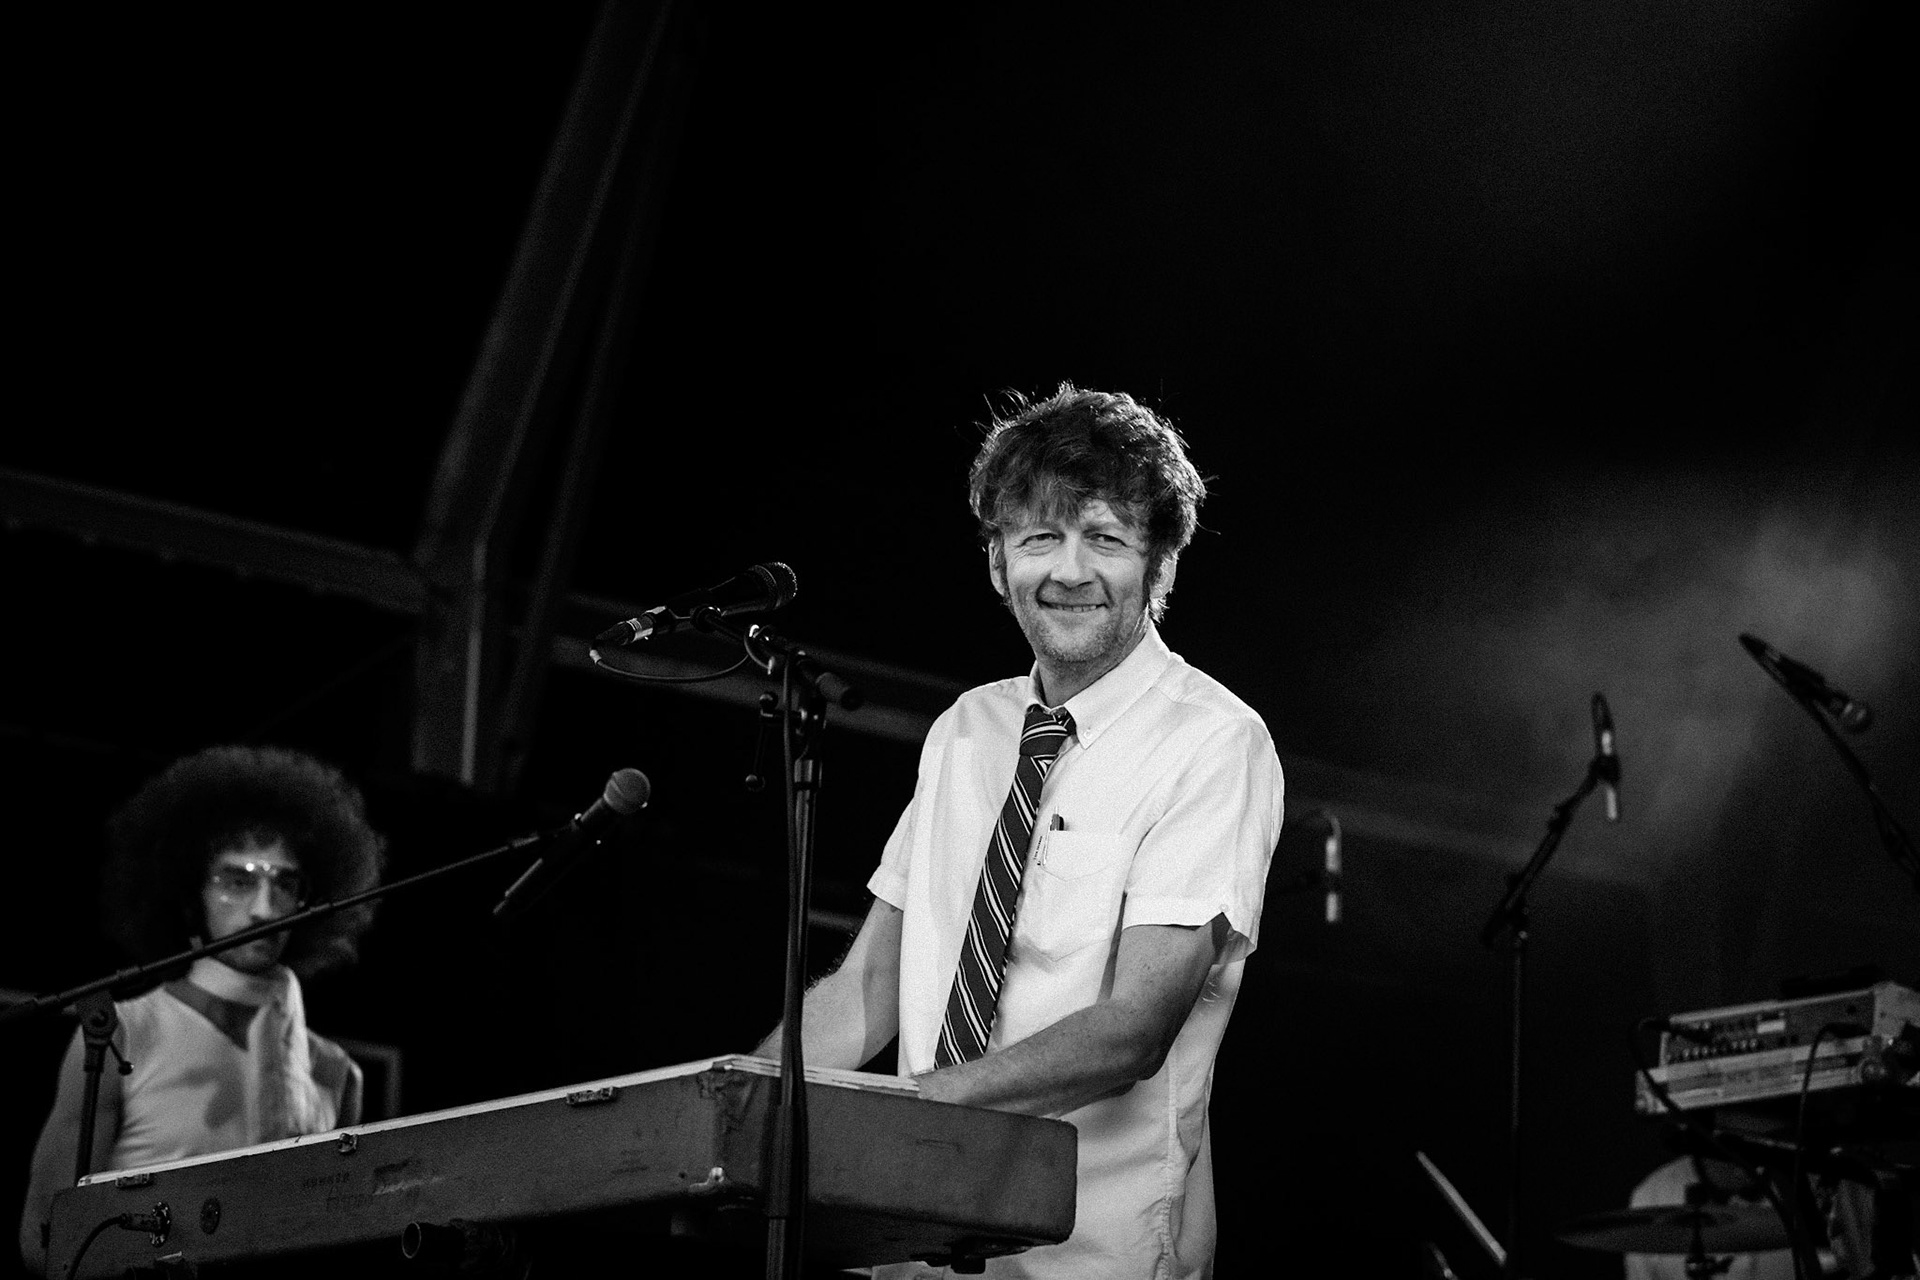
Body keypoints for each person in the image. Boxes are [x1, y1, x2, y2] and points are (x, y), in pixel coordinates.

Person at [754, 383, 1283, 1278]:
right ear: (999, 565)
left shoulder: (1215, 741)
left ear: (1160, 568)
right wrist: (735, 1110)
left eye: (1105, 538)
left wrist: (912, 1111)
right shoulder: (967, 728)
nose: (1069, 571)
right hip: (911, 1242)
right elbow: (868, 987)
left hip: (1089, 1257)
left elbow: (1133, 1030)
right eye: (1039, 538)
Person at [17, 744, 385, 1277]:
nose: (265, 909)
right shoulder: (121, 1034)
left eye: (285, 883)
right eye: (238, 881)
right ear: (192, 894)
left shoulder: (334, 1072)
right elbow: (44, 1235)